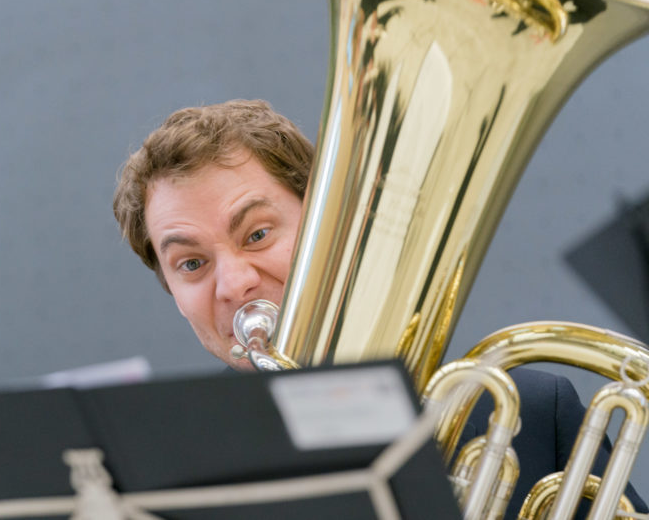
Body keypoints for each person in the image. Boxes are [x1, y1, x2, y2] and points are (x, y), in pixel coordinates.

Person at [113, 99, 646, 517]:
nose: (233, 283)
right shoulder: (151, 476)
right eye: (190, 264)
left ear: (333, 228)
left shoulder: (528, 414)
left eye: (256, 233)